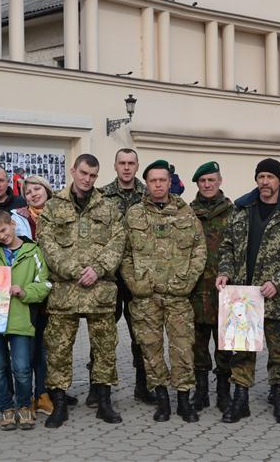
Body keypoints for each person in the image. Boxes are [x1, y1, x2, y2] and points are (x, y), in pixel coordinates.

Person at [216, 158, 280, 424]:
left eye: (271, 177)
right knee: (242, 352)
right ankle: (241, 399)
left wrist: (279, 281)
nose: (265, 182)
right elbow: (226, 247)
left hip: (277, 297)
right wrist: (224, 271)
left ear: (279, 181)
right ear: (256, 179)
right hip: (243, 294)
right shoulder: (241, 209)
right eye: (261, 177)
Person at [37, 154, 126, 427]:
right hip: (66, 292)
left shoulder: (108, 207)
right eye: (84, 173)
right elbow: (46, 243)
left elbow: (119, 240)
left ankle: (104, 401)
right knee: (59, 349)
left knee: (105, 348)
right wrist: (76, 270)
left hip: (99, 290)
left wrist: (98, 268)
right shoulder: (52, 208)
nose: (87, 179)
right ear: (73, 171)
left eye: (93, 175)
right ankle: (60, 404)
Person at [120, 159, 206, 423]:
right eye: (153, 180)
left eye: (163, 180)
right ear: (147, 183)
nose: (158, 184)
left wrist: (188, 280)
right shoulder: (134, 214)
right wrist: (134, 283)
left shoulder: (186, 213)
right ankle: (162, 400)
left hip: (178, 295)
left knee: (183, 348)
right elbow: (123, 253)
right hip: (145, 296)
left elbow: (199, 250)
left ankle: (183, 400)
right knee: (150, 349)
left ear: (170, 182)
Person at [9, 175, 76, 414]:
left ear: (47, 190)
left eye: (37, 189)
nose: (33, 194)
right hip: (29, 288)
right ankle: (29, 396)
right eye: (28, 192)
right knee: (31, 345)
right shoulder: (16, 218)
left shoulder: (62, 213)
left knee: (52, 345)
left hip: (57, 288)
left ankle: (48, 391)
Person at [0, 210, 52, 431]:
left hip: (21, 320)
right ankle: (6, 408)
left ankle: (24, 405)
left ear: (12, 224)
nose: (2, 236)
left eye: (4, 230)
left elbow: (45, 284)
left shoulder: (33, 253)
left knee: (22, 368)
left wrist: (25, 291)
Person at [97, 148, 156, 406]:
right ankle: (97, 387)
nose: (127, 167)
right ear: (115, 165)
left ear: (137, 165)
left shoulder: (148, 194)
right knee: (103, 333)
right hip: (108, 275)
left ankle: (144, 386)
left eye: (131, 163)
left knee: (141, 333)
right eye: (122, 162)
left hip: (139, 275)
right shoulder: (101, 195)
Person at [189, 161, 233, 413]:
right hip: (195, 290)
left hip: (223, 290)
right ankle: (201, 391)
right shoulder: (187, 213)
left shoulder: (233, 212)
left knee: (225, 344)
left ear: (219, 181)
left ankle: (224, 391)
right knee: (197, 343)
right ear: (197, 183)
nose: (207, 185)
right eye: (203, 181)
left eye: (211, 180)